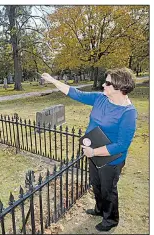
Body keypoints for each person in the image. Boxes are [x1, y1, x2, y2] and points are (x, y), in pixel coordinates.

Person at [41, 68, 137, 232]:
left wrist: (94, 152)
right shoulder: (101, 99)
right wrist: (52, 80)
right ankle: (99, 209)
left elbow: (122, 145)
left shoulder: (128, 113)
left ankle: (111, 219)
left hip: (111, 159)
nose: (103, 85)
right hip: (92, 152)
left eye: (107, 83)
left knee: (108, 190)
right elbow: (75, 93)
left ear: (120, 88)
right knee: (96, 184)